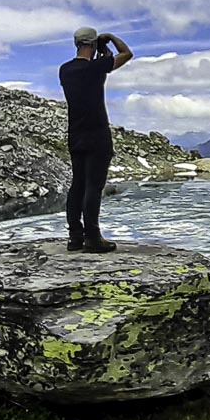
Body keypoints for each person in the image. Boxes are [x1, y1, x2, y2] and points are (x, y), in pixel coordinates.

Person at [59, 26, 133, 253]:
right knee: (93, 186)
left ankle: (74, 237)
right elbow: (126, 54)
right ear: (93, 44)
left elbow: (96, 71)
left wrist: (100, 54)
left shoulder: (65, 70)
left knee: (77, 185)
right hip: (97, 135)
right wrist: (110, 38)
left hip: (76, 135)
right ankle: (93, 237)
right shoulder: (97, 68)